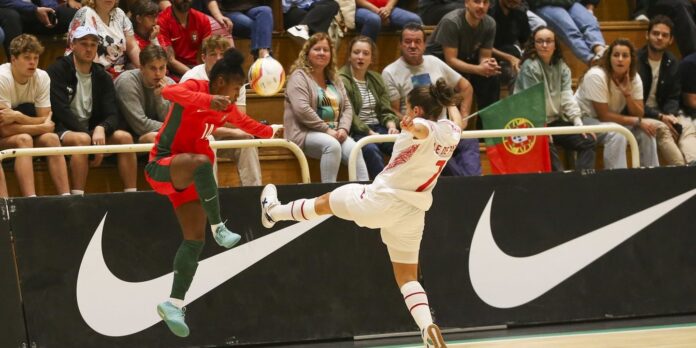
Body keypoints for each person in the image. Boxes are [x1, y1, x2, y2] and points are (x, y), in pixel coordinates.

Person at [261, 78, 459, 348]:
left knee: (325, 202)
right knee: (407, 277)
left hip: (379, 202)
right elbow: (448, 121)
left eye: (408, 108)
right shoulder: (452, 132)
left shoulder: (421, 127)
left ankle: (274, 212)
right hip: (413, 212)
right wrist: (443, 109)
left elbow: (423, 128)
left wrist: (413, 125)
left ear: (417, 111)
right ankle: (427, 328)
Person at [147, 48, 278, 337]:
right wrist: (208, 99)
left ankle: (173, 304)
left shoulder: (226, 107)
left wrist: (271, 133)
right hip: (163, 164)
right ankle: (219, 226)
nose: (235, 96)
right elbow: (169, 93)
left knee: (194, 240)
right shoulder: (195, 87)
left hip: (191, 176)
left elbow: (247, 124)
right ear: (218, 82)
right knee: (203, 162)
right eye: (234, 89)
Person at [48, 26, 138, 195]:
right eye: (83, 43)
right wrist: (91, 141)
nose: (89, 48)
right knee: (82, 140)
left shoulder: (102, 76)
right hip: (63, 129)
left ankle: (131, 195)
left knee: (125, 138)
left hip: (90, 131)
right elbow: (60, 110)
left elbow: (112, 114)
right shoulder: (57, 71)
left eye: (93, 44)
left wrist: (102, 127)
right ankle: (77, 198)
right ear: (73, 45)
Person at [383, 23, 480, 177]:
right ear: (400, 44)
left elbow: (466, 87)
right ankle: (468, 188)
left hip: (446, 127)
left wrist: (463, 118)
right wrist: (412, 123)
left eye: (417, 41)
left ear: (425, 43)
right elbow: (393, 109)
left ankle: (474, 184)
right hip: (421, 133)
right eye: (408, 41)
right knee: (439, 151)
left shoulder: (434, 62)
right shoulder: (390, 72)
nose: (412, 46)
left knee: (470, 141)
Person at [284, 32, 369, 183]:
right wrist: (327, 130)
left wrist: (343, 129)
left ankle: (363, 196)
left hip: (335, 132)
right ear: (307, 53)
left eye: (326, 50)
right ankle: (327, 195)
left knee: (356, 150)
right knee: (332, 146)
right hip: (305, 133)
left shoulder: (333, 77)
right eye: (317, 49)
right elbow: (303, 109)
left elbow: (348, 108)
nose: (322, 53)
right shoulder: (299, 76)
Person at [181, 35, 262, 187]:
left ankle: (254, 194)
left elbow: (239, 119)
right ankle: (211, 199)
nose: (218, 58)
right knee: (208, 141)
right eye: (213, 54)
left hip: (219, 133)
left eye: (222, 54)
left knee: (247, 140)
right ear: (203, 57)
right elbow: (195, 126)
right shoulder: (191, 79)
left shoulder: (236, 78)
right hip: (192, 137)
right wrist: (230, 130)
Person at [514, 26, 596, 171]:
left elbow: (567, 97)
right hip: (533, 124)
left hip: (556, 121)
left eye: (548, 41)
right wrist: (543, 128)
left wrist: (578, 123)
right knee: (549, 152)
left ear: (555, 44)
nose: (544, 45)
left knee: (588, 141)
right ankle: (561, 186)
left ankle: (582, 182)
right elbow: (531, 103)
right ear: (534, 44)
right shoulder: (530, 66)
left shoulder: (562, 66)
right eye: (539, 41)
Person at [0, 34, 70, 197]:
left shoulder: (42, 77)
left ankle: (67, 198)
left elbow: (46, 118)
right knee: (24, 139)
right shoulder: (2, 78)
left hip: (21, 130)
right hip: (4, 136)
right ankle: (30, 199)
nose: (32, 62)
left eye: (36, 58)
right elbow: (4, 130)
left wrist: (18, 116)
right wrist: (40, 126)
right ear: (13, 59)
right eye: (27, 58)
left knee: (52, 139)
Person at [575, 38, 660, 169]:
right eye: (616, 55)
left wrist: (627, 95)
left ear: (631, 60)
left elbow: (639, 113)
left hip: (611, 121)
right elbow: (603, 115)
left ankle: (651, 179)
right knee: (618, 134)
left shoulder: (635, 78)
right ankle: (618, 183)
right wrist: (637, 121)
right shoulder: (596, 76)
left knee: (647, 132)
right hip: (585, 119)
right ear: (609, 58)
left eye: (625, 56)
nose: (620, 59)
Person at [637, 15, 696, 165]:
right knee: (664, 130)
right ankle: (682, 171)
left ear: (671, 40)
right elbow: (633, 103)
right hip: (640, 112)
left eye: (664, 35)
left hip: (664, 111)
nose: (659, 38)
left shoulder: (672, 62)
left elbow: (673, 97)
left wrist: (669, 115)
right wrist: (661, 117)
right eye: (655, 33)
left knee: (687, 126)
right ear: (647, 35)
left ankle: (693, 162)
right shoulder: (635, 61)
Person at [426, 0, 502, 115]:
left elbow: (484, 57)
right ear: (466, 3)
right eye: (477, 1)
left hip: (464, 60)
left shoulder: (490, 23)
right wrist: (478, 69)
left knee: (492, 79)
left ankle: (486, 127)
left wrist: (488, 65)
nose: (481, 6)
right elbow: (450, 61)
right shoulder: (452, 21)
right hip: (439, 61)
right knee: (452, 82)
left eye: (485, 2)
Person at [339, 36, 400, 179]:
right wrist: (370, 133)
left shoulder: (376, 78)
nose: (360, 57)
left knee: (402, 146)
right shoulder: (341, 79)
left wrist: (391, 126)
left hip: (379, 127)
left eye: (365, 53)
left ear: (371, 58)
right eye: (356, 52)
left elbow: (386, 110)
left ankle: (404, 187)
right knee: (371, 150)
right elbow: (349, 115)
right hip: (356, 131)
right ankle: (382, 190)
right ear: (349, 56)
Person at [115, 44, 174, 144]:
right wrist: (173, 128)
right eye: (153, 68)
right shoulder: (127, 82)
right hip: (127, 139)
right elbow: (141, 126)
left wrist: (160, 96)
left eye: (162, 68)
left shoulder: (170, 84)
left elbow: (169, 119)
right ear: (142, 68)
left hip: (160, 135)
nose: (158, 74)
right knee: (156, 137)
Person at [67, 0, 141, 78]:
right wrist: (104, 80)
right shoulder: (85, 13)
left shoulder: (119, 13)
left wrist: (143, 68)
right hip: (90, 73)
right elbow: (88, 52)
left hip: (120, 72)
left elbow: (133, 47)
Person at [526, 0, 606, 65]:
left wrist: (590, 4)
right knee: (571, 31)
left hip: (570, 2)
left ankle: (601, 51)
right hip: (544, 3)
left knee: (591, 23)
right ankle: (593, 61)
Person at [158, 0, 212, 78]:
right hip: (175, 73)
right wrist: (194, 74)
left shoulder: (202, 19)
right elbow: (170, 61)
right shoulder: (162, 21)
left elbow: (207, 53)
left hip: (199, 69)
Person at [0, 0, 78, 54]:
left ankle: (83, 70)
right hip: (12, 12)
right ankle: (16, 68)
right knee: (11, 16)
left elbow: (48, 4)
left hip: (37, 12)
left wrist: (51, 10)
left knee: (78, 15)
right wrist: (34, 9)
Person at [489, 0, 531, 89]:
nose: (514, 1)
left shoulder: (520, 13)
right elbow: (483, 46)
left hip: (511, 54)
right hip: (487, 57)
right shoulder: (488, 11)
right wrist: (510, 58)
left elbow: (525, 41)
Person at [355, 0, 422, 42]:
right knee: (373, 19)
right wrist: (379, 12)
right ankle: (364, 56)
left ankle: (408, 60)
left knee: (414, 20)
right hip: (363, 8)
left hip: (387, 8)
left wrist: (388, 8)